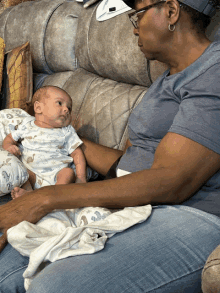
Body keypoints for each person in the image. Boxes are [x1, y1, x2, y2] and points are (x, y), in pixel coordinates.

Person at [1, 0, 220, 292]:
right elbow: (129, 163)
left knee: (53, 287)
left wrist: (49, 198)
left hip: (192, 214)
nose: (134, 30)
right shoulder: (164, 82)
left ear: (171, 11)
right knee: (7, 273)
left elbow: (173, 181)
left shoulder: (213, 70)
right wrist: (62, 137)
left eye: (138, 15)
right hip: (135, 199)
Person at [2, 85, 87, 198]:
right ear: (38, 108)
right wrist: (8, 146)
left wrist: (81, 178)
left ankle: (54, 196)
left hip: (56, 175)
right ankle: (29, 194)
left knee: (68, 173)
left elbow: (77, 153)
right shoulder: (27, 125)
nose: (66, 110)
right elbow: (10, 138)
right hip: (31, 173)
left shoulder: (66, 131)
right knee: (20, 170)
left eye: (69, 108)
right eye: (60, 103)